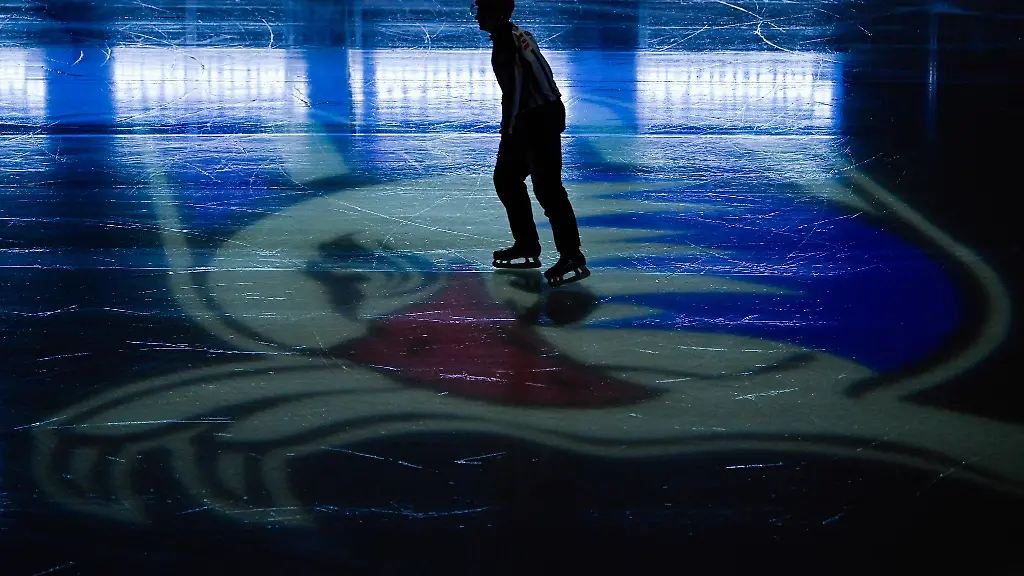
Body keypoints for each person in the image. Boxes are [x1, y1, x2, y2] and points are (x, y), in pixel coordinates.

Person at [471, 0, 590, 287]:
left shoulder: (506, 45)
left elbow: (513, 93)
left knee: (548, 190)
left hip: (536, 120)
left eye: (481, 10)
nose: (477, 16)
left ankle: (572, 255)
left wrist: (507, 131)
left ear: (496, 13)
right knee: (508, 179)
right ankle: (527, 245)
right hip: (541, 114)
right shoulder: (516, 34)